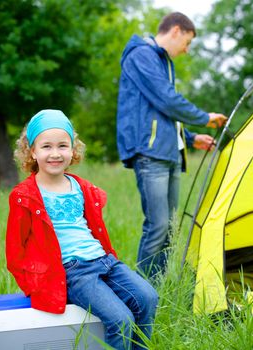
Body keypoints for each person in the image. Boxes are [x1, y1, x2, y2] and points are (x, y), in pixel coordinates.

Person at [6, 109, 158, 350]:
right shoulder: (24, 196)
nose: (55, 154)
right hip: (73, 271)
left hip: (104, 260)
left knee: (147, 298)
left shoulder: (81, 188)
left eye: (62, 146)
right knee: (120, 320)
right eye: (46, 147)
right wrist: (39, 286)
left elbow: (94, 229)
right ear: (32, 151)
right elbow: (15, 251)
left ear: (72, 150)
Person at [116, 12, 228, 278]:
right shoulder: (141, 56)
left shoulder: (163, 62)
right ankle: (141, 293)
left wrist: (190, 138)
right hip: (150, 154)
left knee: (169, 228)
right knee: (157, 226)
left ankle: (160, 288)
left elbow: (161, 112)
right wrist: (204, 118)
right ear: (176, 31)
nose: (186, 50)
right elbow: (167, 100)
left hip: (170, 154)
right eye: (187, 42)